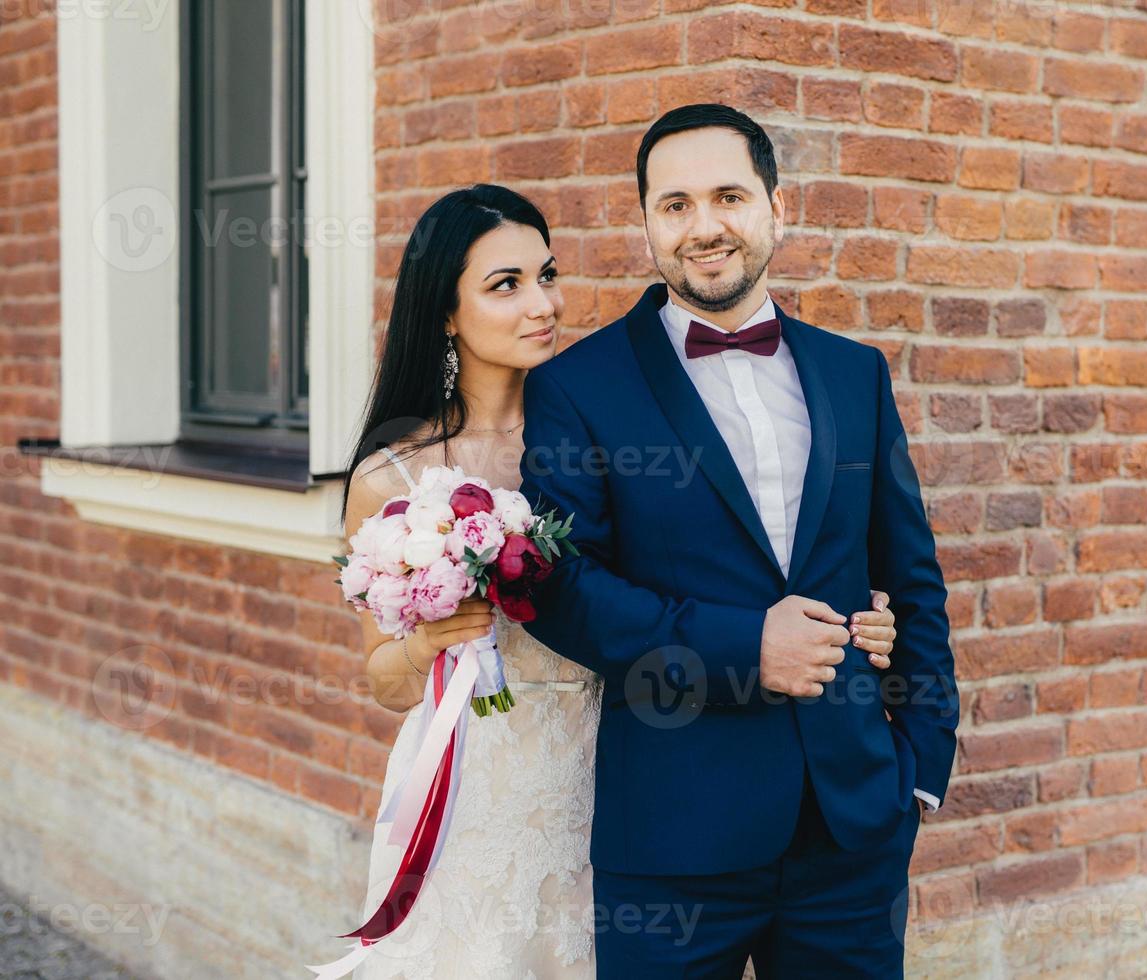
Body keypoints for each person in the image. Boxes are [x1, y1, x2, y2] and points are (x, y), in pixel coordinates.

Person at [337, 182, 901, 977]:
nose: (542, 304)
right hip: (482, 782)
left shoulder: (606, 418)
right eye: (507, 286)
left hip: (631, 763)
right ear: (444, 313)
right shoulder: (391, 474)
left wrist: (856, 611)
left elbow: (713, 562)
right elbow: (386, 683)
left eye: (547, 276)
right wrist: (430, 636)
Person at [519, 104, 958, 978]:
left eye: (728, 196)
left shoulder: (854, 372)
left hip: (852, 832)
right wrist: (748, 646)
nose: (704, 226)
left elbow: (912, 574)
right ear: (645, 220)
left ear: (776, 207)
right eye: (674, 204)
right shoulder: (577, 386)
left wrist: (918, 765)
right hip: (673, 840)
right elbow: (560, 589)